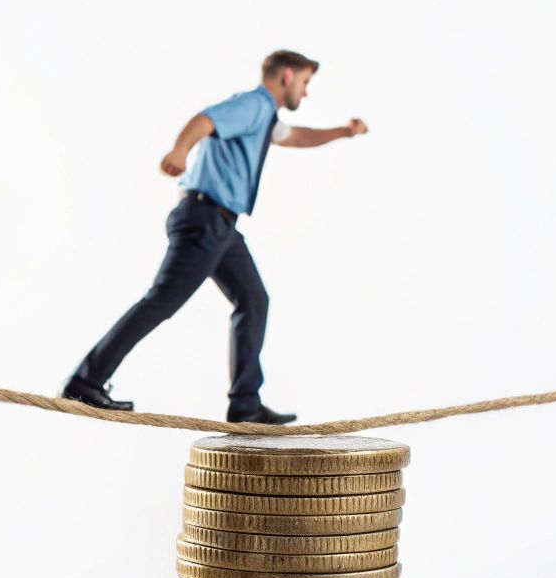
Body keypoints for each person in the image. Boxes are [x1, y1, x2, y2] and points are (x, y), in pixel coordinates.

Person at [61, 50, 368, 423]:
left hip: (221, 226)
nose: (305, 93)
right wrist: (180, 150)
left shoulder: (264, 118)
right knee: (162, 301)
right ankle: (86, 380)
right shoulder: (255, 104)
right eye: (304, 82)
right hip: (204, 218)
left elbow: (296, 136)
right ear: (287, 76)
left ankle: (245, 405)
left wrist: (343, 132)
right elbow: (205, 120)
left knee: (254, 299)